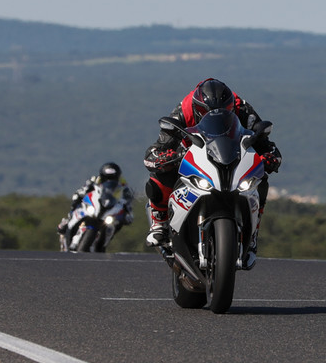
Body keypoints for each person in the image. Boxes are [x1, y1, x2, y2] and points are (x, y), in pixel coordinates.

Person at [143, 78, 281, 254]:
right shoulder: (183, 111)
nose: (217, 115)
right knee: (161, 172)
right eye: (206, 112)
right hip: (194, 155)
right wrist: (166, 156)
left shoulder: (244, 110)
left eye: (225, 111)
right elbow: (154, 152)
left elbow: (266, 144)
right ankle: (159, 221)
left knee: (260, 177)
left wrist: (270, 157)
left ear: (231, 107)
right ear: (197, 108)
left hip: (232, 157)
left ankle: (253, 231)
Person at [58, 162, 135, 242]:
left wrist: (128, 212)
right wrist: (79, 194)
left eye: (112, 178)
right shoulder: (95, 179)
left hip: (111, 205)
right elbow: (84, 188)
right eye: (106, 178)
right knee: (76, 202)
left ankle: (104, 241)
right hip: (97, 202)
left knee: (118, 223)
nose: (109, 180)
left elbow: (128, 198)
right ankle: (68, 220)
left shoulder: (123, 183)